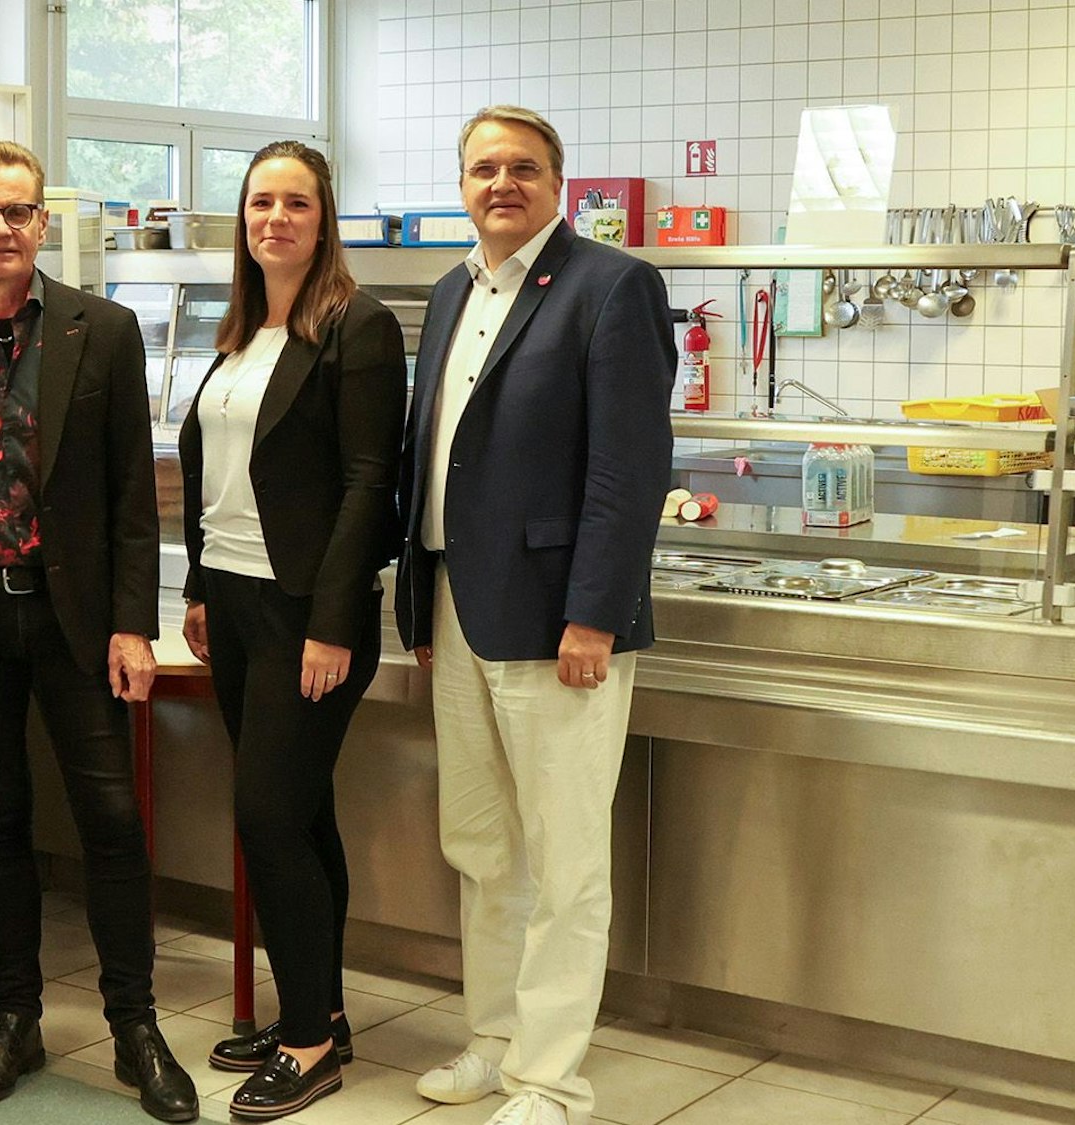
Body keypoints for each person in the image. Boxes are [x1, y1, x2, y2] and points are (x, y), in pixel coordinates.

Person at [0, 140, 197, 1124]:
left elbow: (129, 499)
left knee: (109, 820)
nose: (1, 228)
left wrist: (131, 625)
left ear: (42, 222)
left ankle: (135, 1026)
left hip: (74, 626)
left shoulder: (98, 331)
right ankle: (13, 1019)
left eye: (17, 211)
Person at [392, 106, 674, 1125]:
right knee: (481, 844)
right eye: (480, 168)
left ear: (559, 182)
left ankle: (549, 1078)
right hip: (461, 611)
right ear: (459, 185)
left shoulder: (609, 287)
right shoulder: (448, 290)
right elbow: (430, 462)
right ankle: (494, 1038)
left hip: (559, 622)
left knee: (561, 859)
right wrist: (416, 600)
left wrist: (593, 614)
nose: (498, 183)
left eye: (520, 168)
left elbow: (626, 468)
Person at [175, 141, 405, 1121]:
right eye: (260, 201)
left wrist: (331, 619)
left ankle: (308, 1046)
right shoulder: (238, 328)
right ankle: (323, 1010)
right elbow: (213, 476)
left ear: (323, 216)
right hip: (229, 601)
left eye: (295, 202)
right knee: (298, 814)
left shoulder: (358, 325)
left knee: (265, 816)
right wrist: (194, 584)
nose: (275, 217)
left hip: (305, 612)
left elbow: (367, 482)